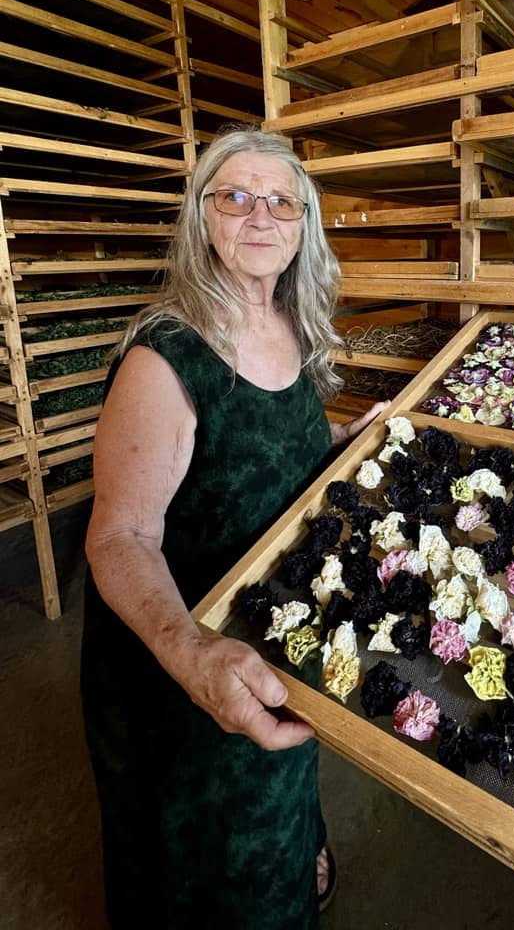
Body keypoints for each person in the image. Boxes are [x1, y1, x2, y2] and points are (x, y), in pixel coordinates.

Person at [81, 126, 385, 929]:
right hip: (180, 651)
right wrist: (192, 652)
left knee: (281, 778)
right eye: (236, 196)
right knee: (207, 864)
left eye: (281, 200)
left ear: (303, 225)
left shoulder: (293, 324)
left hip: (270, 621)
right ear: (202, 217)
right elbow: (119, 539)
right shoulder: (167, 357)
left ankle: (294, 856)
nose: (261, 215)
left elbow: (267, 462)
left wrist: (345, 450)